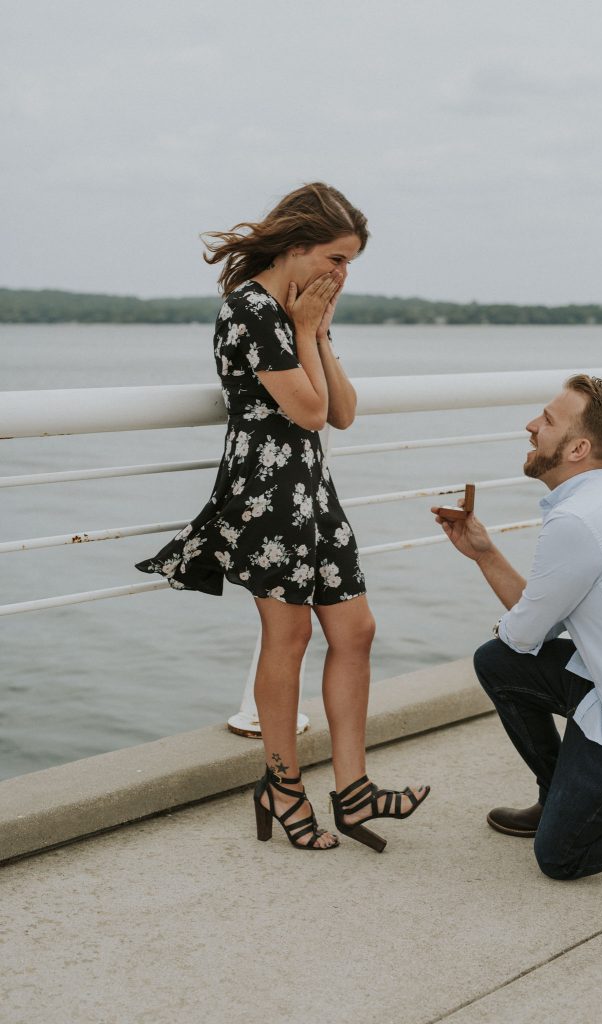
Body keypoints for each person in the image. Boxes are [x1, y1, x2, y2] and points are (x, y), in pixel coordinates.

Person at [136, 183, 429, 851]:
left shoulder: (300, 312)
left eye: (350, 262)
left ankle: (353, 792)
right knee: (288, 639)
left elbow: (344, 411)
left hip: (311, 488)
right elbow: (308, 412)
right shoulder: (251, 310)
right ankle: (282, 785)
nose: (341, 274)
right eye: (334, 257)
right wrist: (304, 329)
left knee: (354, 630)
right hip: (265, 490)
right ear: (297, 247)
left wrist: (319, 333)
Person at [432, 374, 602, 879]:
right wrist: (485, 554)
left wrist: (514, 626)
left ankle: (575, 811)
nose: (531, 426)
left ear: (578, 448)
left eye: (547, 421)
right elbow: (526, 638)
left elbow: (525, 634)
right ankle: (558, 797)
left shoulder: (579, 522)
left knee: (561, 858)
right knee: (496, 660)